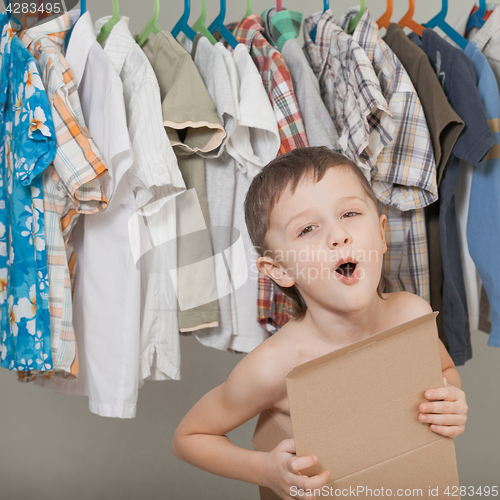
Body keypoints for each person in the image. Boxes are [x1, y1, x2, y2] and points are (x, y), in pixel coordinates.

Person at [172, 147, 468, 500]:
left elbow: (445, 370)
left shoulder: (411, 315)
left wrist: (451, 399)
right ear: (278, 269)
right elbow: (188, 437)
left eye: (350, 213)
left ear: (382, 232)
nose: (338, 235)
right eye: (308, 228)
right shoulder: (276, 365)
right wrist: (265, 469)